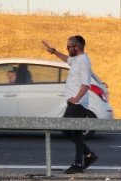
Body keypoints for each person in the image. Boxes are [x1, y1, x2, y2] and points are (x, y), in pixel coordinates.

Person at [42, 36, 97, 174]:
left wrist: (76, 98)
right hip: (73, 104)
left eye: (69, 46)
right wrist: (54, 52)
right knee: (67, 131)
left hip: (77, 104)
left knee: (75, 133)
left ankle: (79, 164)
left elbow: (86, 84)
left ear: (77, 47)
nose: (67, 49)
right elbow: (67, 59)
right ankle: (89, 155)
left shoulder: (84, 62)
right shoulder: (77, 60)